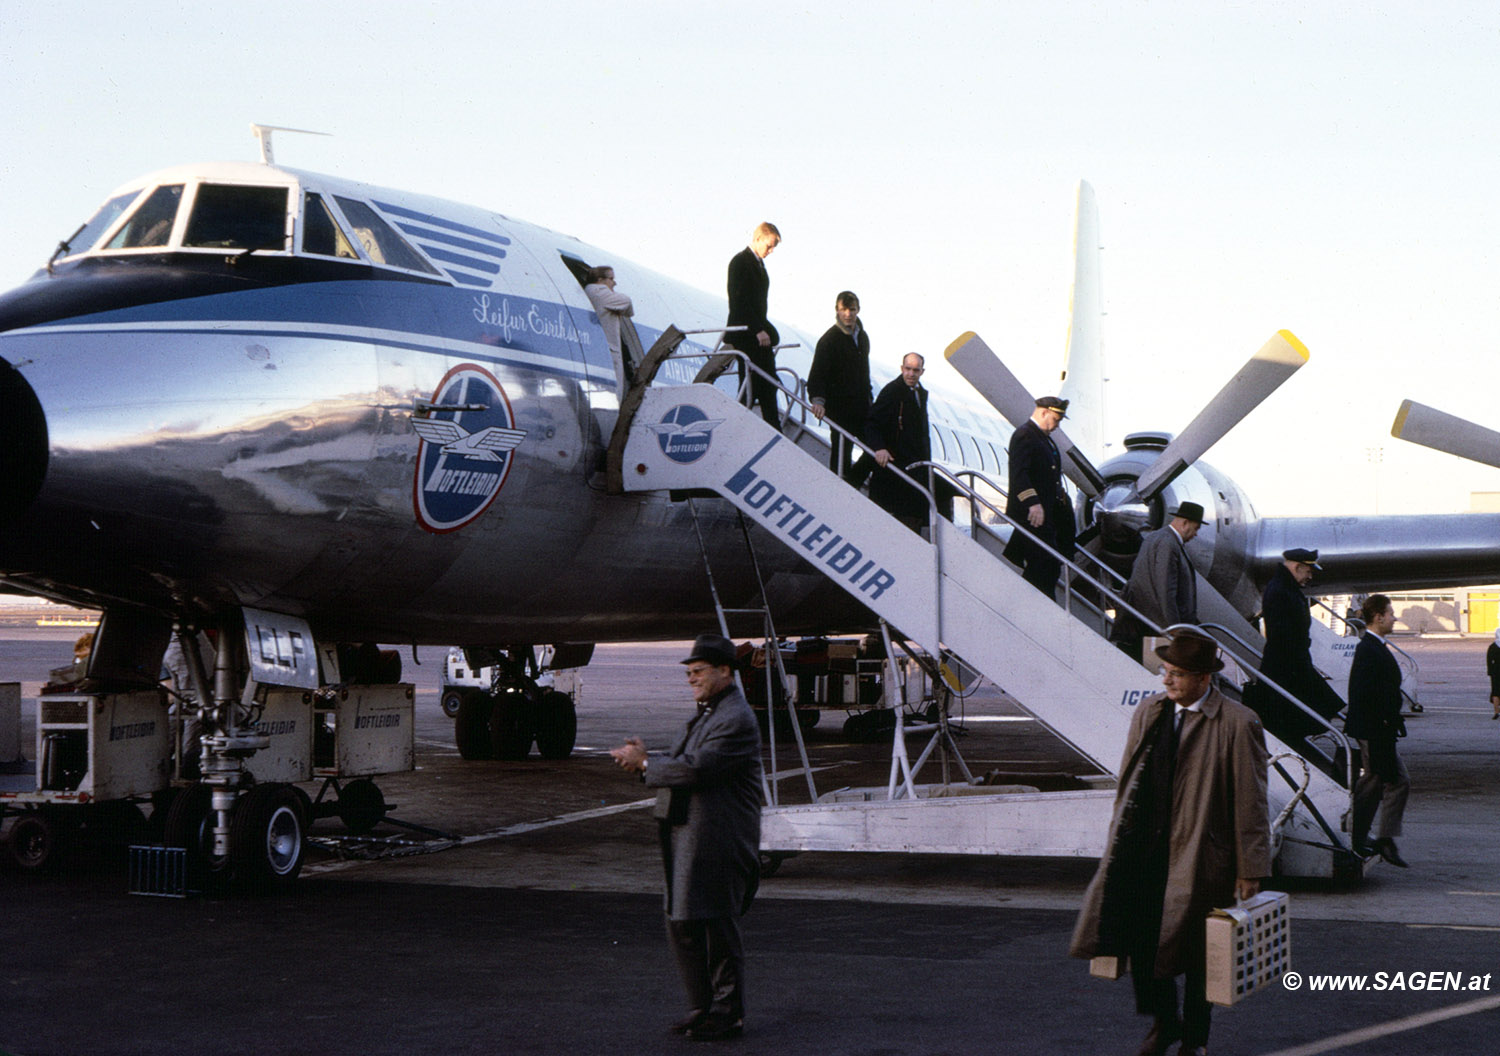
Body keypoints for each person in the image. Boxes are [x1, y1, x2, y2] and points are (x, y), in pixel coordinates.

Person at [1070, 630, 1270, 1056]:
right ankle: (1166, 1022)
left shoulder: (1237, 721)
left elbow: (1250, 799)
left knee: (1199, 955)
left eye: (1177, 674)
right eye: (1165, 671)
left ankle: (1194, 1039)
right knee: (1141, 939)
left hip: (1202, 855)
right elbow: (1129, 781)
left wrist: (1251, 868)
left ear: (1203, 678)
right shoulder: (1151, 711)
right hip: (1144, 848)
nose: (1167, 680)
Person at [610, 633, 764, 1042]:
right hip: (691, 835)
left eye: (698, 671)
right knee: (684, 923)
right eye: (690, 672)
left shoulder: (735, 718)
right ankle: (704, 1007)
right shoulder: (709, 712)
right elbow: (682, 762)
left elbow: (698, 769)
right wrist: (649, 761)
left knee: (714, 924)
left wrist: (644, 762)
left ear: (725, 671)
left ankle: (728, 1013)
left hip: (718, 837)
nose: (691, 678)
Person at [1344, 594, 1410, 867]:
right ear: (1379, 617)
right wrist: (1381, 725)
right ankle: (1378, 838)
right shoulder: (1369, 649)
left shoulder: (1374, 646)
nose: (1395, 618)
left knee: (1374, 782)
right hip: (1375, 730)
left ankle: (1360, 835)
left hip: (1378, 729)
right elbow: (1362, 693)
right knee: (1392, 781)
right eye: (1391, 613)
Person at [1257, 547, 1345, 724]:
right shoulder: (1281, 591)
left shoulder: (1283, 587)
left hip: (1291, 663)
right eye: (1308, 571)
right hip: (1288, 665)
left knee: (1319, 707)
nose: (1310, 577)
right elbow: (1284, 636)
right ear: (1297, 567)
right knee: (1317, 708)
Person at [1111, 502, 1206, 661]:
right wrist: (1173, 628)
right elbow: (1166, 589)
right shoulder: (1169, 544)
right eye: (1196, 528)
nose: (1195, 534)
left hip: (1145, 624)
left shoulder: (1154, 537)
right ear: (1184, 523)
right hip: (1158, 627)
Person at [1003, 396, 1077, 597]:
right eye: (1056, 419)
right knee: (1044, 564)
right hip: (1033, 516)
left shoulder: (1044, 439)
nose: (1057, 425)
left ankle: (1040, 605)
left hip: (1047, 515)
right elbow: (1019, 474)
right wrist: (1032, 503)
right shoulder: (1025, 435)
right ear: (1044, 413)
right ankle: (1036, 608)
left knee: (1050, 564)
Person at [806, 290, 875, 485]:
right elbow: (817, 373)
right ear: (837, 310)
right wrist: (818, 400)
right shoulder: (829, 340)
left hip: (861, 406)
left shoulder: (862, 338)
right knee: (841, 452)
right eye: (843, 310)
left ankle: (851, 483)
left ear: (858, 310)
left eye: (852, 310)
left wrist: (869, 400)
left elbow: (864, 372)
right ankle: (838, 488)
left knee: (874, 449)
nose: (848, 314)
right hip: (839, 409)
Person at [865, 353, 932, 531]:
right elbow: (872, 422)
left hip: (914, 468)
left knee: (912, 518)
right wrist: (878, 448)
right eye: (908, 369)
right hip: (894, 467)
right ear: (902, 369)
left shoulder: (920, 394)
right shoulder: (892, 391)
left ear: (922, 372)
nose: (911, 374)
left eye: (915, 370)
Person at [725, 222, 782, 428]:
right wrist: (758, 329)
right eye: (769, 245)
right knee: (755, 383)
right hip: (747, 333)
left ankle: (772, 426)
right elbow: (738, 301)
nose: (772, 251)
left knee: (765, 384)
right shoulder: (740, 262)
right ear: (758, 239)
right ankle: (758, 425)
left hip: (756, 331)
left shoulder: (759, 265)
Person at [582, 265, 636, 391]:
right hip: (609, 349)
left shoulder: (592, 292)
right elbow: (628, 305)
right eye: (611, 279)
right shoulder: (598, 291)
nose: (614, 283)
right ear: (600, 280)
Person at [1488, 627, 1500, 720]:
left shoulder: (1492, 646)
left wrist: (1490, 672)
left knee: (1496, 692)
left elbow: (1489, 660)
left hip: (1496, 671)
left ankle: (1496, 712)